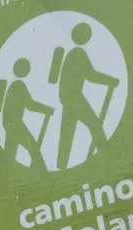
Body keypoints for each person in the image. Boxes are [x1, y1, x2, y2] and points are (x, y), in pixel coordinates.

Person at [51, 22, 119, 170]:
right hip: (73, 97)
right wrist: (111, 81)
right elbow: (91, 76)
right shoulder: (78, 54)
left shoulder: (73, 54)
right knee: (94, 124)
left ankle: (61, 166)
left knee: (67, 131)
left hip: (67, 98)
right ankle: (108, 160)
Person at [0, 57, 54, 170]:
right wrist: (47, 109)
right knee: (34, 150)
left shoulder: (15, 85)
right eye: (27, 68)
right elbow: (30, 104)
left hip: (10, 123)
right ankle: (40, 173)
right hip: (15, 123)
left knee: (10, 155)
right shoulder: (18, 85)